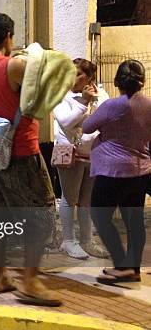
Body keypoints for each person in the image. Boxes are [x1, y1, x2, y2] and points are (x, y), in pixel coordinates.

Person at [0, 13, 60, 306]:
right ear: (8, 35)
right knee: (43, 214)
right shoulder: (14, 66)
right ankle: (30, 282)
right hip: (21, 153)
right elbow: (44, 101)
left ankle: (0, 277)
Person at [84, 60, 151, 285]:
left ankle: (122, 265)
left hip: (112, 172)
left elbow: (87, 127)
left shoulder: (113, 105)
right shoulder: (149, 104)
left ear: (118, 81)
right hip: (140, 170)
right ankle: (132, 269)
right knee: (134, 220)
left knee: (100, 216)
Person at [53, 59, 109, 259]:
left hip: (93, 153)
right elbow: (67, 122)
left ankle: (87, 240)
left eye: (77, 74)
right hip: (68, 151)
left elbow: (106, 119)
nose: (72, 78)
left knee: (87, 200)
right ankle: (68, 241)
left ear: (90, 77)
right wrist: (84, 101)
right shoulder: (60, 94)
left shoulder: (101, 94)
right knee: (69, 198)